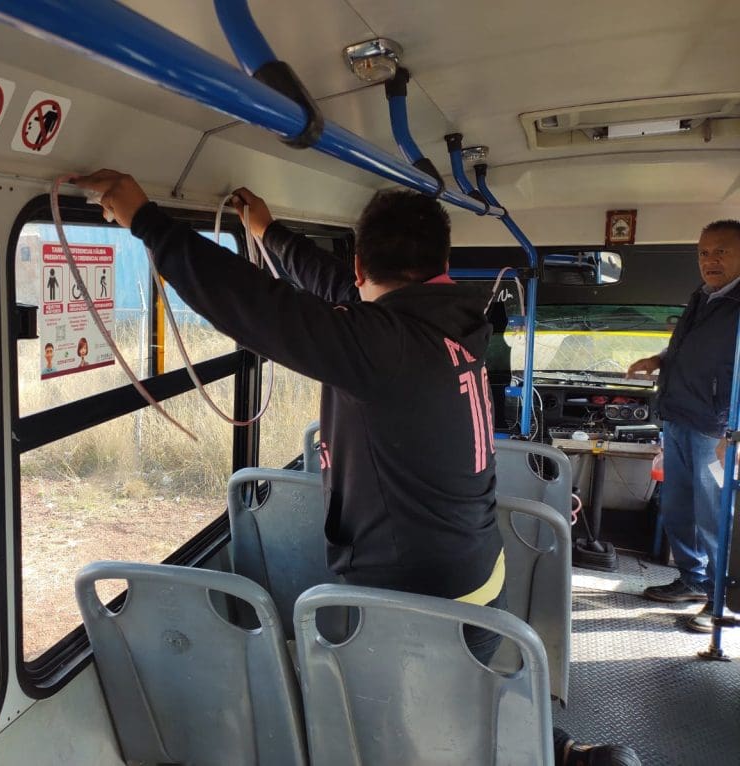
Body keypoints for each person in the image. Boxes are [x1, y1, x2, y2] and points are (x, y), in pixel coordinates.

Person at [73, 169, 640, 765]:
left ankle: (546, 755)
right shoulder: (455, 318)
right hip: (475, 566)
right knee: (467, 694)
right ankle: (562, 752)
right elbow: (335, 293)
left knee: (408, 726)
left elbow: (260, 308)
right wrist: (270, 235)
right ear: (441, 261)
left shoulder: (384, 346)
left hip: (416, 591)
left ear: (363, 267)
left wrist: (149, 223)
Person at [628, 219, 740, 633]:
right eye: (704, 252)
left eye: (722, 251)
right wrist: (659, 360)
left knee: (715, 516)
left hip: (718, 427)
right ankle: (694, 580)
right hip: (678, 416)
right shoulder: (704, 296)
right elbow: (689, 348)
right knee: (677, 508)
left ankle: (722, 601)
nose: (710, 260)